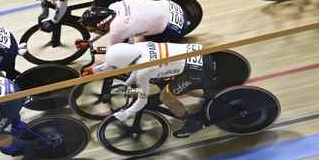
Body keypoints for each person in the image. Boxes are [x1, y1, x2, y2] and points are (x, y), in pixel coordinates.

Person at [82, 42, 219, 139]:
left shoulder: (143, 71)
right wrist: (95, 70)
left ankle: (193, 123)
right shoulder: (139, 46)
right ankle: (212, 94)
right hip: (199, 52)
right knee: (165, 82)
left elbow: (142, 99)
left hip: (195, 70)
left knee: (166, 96)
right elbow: (116, 56)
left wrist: (128, 112)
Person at [77, 0, 192, 48]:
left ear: (101, 23)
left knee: (138, 51)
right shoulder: (114, 6)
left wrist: (95, 49)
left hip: (174, 29)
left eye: (92, 30)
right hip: (173, 6)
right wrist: (89, 42)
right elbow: (105, 27)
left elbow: (114, 51)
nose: (93, 32)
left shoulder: (118, 29)